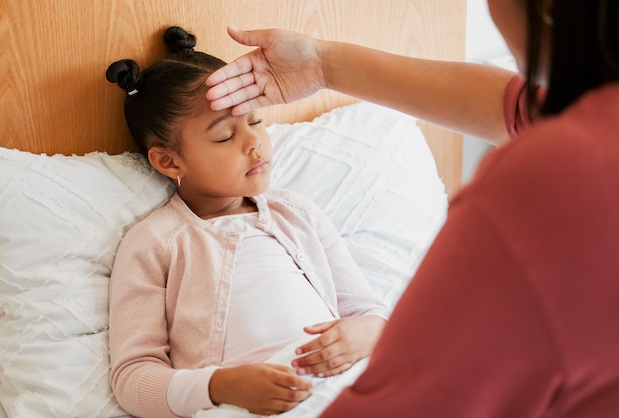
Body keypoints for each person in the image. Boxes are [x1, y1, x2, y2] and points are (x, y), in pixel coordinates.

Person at [205, 0, 619, 416]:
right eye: (223, 137)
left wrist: (369, 329)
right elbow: (516, 109)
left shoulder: (549, 180)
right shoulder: (162, 243)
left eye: (257, 123)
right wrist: (320, 64)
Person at [105, 26, 388, 418]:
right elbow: (133, 377)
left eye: (255, 121)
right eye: (224, 137)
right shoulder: (154, 242)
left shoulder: (296, 213)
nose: (253, 143)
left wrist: (363, 336)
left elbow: (372, 313)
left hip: (345, 385)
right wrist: (220, 385)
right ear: (169, 161)